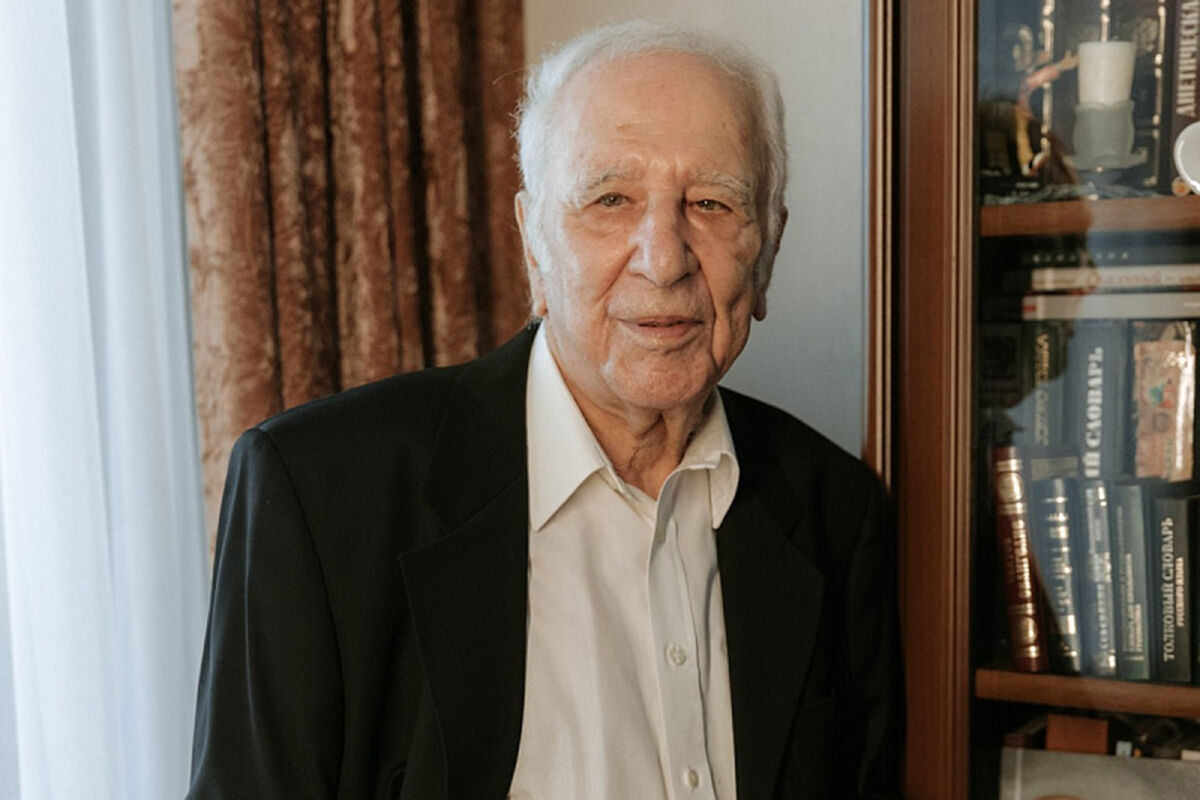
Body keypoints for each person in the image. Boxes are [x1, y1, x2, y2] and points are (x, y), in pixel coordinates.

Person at [186, 20, 901, 800]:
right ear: (534, 244)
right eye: (611, 199)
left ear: (768, 253)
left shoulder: (837, 511)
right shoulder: (321, 493)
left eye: (712, 203)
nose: (664, 259)